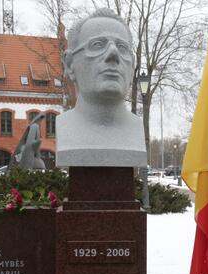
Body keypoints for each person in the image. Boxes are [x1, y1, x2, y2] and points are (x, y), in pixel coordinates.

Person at [55, 8, 145, 167]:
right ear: (70, 64)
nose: (113, 54)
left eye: (122, 47)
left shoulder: (137, 128)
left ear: (132, 68)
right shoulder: (64, 127)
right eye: (97, 45)